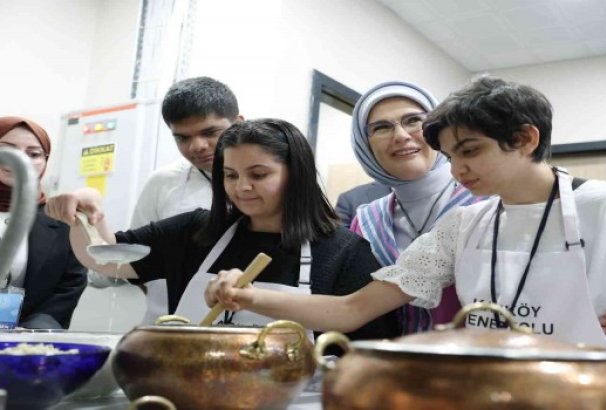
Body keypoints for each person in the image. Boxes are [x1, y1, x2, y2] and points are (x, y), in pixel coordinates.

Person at [206, 76, 606, 389]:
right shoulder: (465, 223)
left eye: (471, 151)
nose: (458, 170)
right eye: (451, 156)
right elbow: (352, 310)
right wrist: (252, 294)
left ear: (526, 138)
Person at [348, 81, 606, 341]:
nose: (401, 135)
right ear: (365, 143)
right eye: (380, 127)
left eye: (413, 120)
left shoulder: (495, 196)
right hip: (394, 365)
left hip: (488, 367)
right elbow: (353, 306)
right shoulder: (366, 218)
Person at [45, 118, 398, 341]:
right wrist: (87, 212)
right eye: (230, 175)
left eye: (258, 175)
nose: (241, 187)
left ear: (296, 174)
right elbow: (109, 261)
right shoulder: (196, 230)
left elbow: (365, 346)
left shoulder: (344, 251)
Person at [128, 76, 243, 324]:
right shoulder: (163, 182)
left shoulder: (276, 180)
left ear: (239, 123)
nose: (197, 146)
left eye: (210, 132)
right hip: (168, 327)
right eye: (182, 138)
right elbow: (135, 259)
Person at [0, 117, 87, 329]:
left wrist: (32, 332)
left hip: (28, 344)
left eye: (34, 154)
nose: (19, 160)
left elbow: (71, 284)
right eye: (8, 150)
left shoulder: (61, 219)